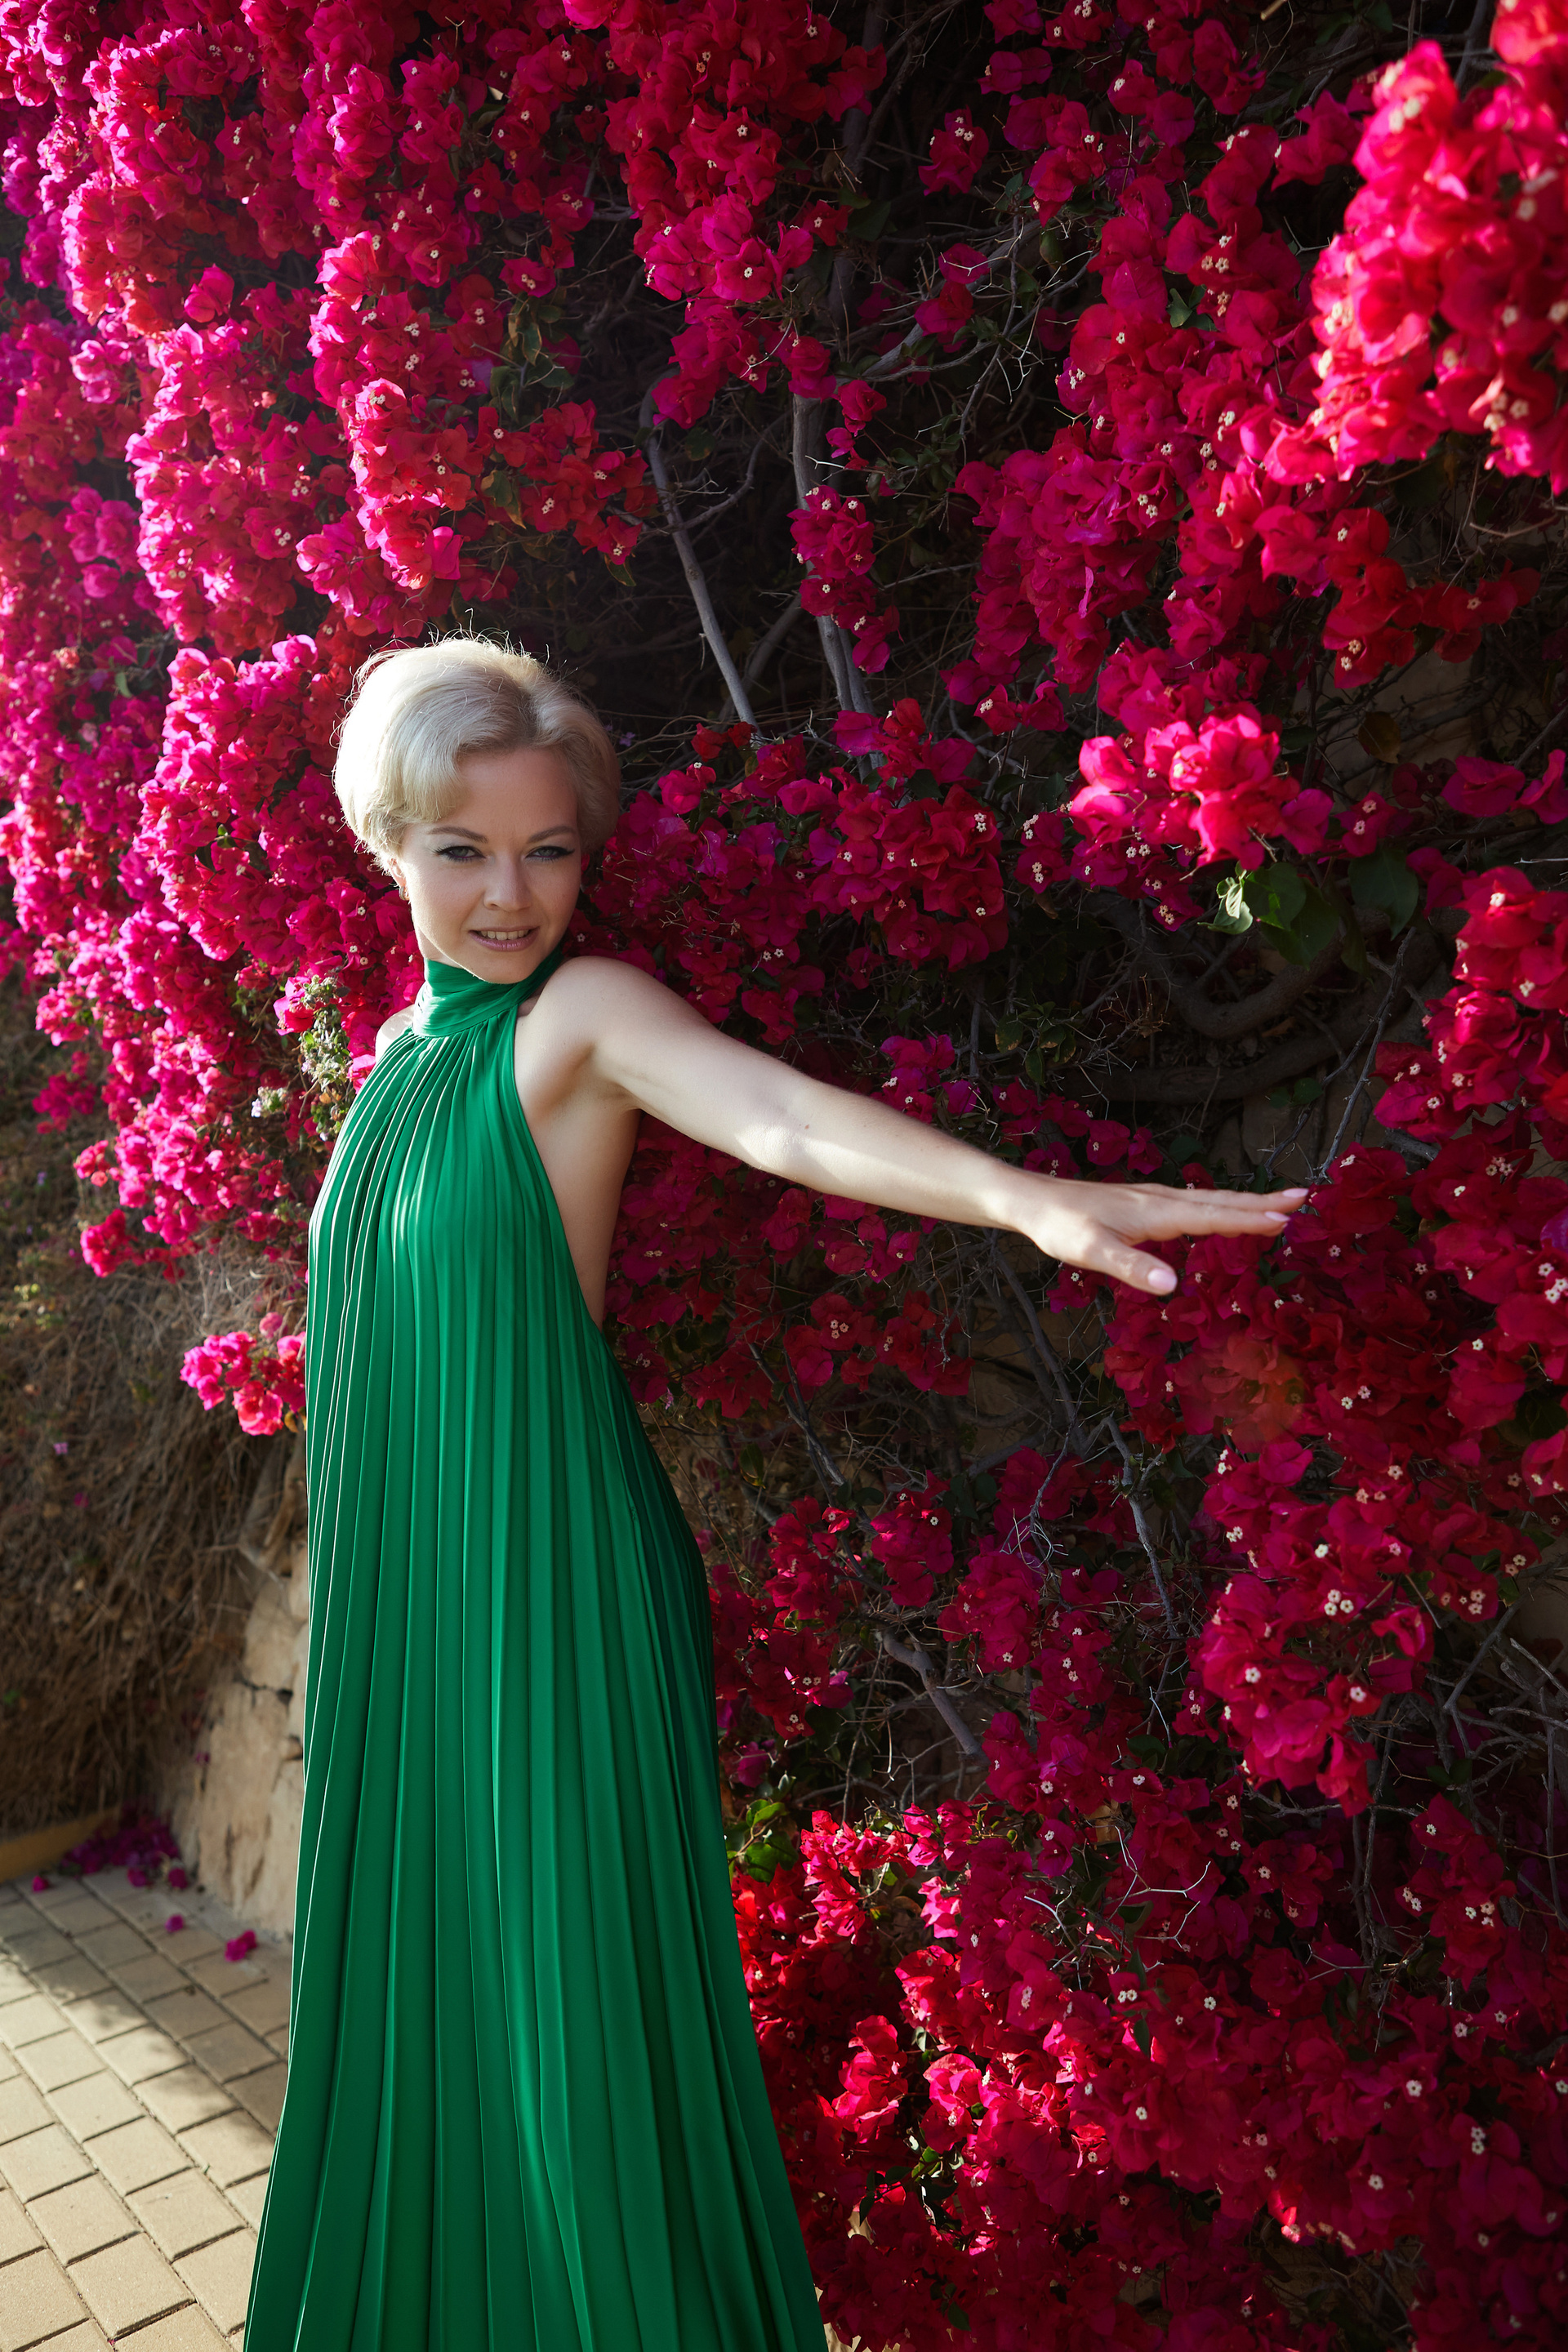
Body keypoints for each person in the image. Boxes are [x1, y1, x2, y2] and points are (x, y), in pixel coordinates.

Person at [245, 638, 1307, 2350]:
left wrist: (1022, 1195)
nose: (511, 895)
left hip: (550, 1598)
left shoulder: (578, 1022)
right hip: (417, 1613)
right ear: (388, 842)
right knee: (436, 2030)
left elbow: (781, 1120)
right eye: (464, 850)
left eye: (549, 850)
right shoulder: (391, 1063)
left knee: (577, 2045)